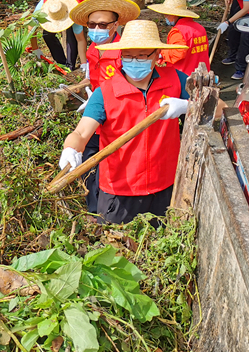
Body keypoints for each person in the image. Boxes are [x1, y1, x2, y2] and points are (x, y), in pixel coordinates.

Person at [57, 20, 189, 225]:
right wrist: (70, 149)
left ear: (156, 55)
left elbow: (218, 108)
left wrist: (188, 106)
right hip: (119, 191)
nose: (134, 61)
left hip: (164, 186)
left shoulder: (176, 80)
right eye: (128, 55)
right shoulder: (105, 92)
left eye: (142, 56)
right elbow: (81, 133)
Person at [68, 0, 141, 215]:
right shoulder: (93, 49)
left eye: (102, 25)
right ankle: (94, 209)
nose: (96, 29)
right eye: (91, 25)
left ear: (115, 25)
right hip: (97, 117)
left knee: (112, 164)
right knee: (88, 161)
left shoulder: (125, 53)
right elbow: (95, 80)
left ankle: (111, 211)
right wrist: (85, 91)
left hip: (120, 119)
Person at [147, 0, 209, 75]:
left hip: (182, 75)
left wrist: (160, 53)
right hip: (202, 75)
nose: (165, 17)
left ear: (175, 15)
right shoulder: (200, 28)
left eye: (167, 14)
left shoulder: (178, 31)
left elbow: (176, 54)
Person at [30, 0, 89, 71]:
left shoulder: (75, 12)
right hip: (55, 0)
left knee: (72, 35)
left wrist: (84, 63)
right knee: (47, 34)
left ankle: (70, 66)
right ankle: (62, 63)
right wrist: (35, 49)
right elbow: (31, 28)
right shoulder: (42, 8)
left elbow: (80, 39)